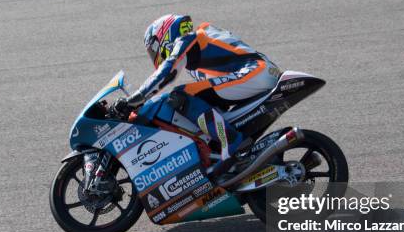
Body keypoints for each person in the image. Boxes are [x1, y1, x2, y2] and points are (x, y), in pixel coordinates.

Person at [112, 14, 281, 175]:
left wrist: (134, 100)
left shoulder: (188, 39)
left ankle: (230, 141)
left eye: (154, 50)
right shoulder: (198, 53)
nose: (155, 56)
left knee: (181, 94)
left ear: (164, 35)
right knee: (194, 98)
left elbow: (167, 72)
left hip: (255, 71)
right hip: (255, 72)